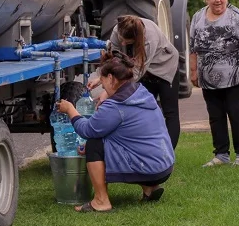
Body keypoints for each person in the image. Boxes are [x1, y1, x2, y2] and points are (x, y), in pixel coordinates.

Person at [56, 52, 175, 212]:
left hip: (149, 168)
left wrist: (70, 109)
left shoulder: (116, 106)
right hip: (165, 166)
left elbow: (87, 130)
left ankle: (101, 201)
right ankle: (150, 188)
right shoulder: (141, 92)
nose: (102, 86)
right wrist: (107, 96)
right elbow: (123, 135)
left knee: (94, 144)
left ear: (111, 78)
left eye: (103, 81)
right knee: (110, 140)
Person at [189, 0, 239, 167]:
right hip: (208, 79)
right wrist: (194, 71)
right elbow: (192, 47)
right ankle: (221, 155)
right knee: (215, 116)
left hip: (235, 76)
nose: (217, 0)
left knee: (237, 114)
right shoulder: (197, 17)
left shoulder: (236, 16)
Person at [87, 15, 181, 148]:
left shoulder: (150, 38)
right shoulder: (117, 30)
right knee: (142, 112)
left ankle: (167, 157)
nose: (123, 44)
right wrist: (101, 78)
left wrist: (107, 93)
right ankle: (145, 150)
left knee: (170, 113)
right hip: (144, 72)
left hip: (164, 69)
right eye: (122, 40)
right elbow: (113, 62)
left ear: (137, 38)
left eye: (128, 42)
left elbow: (135, 73)